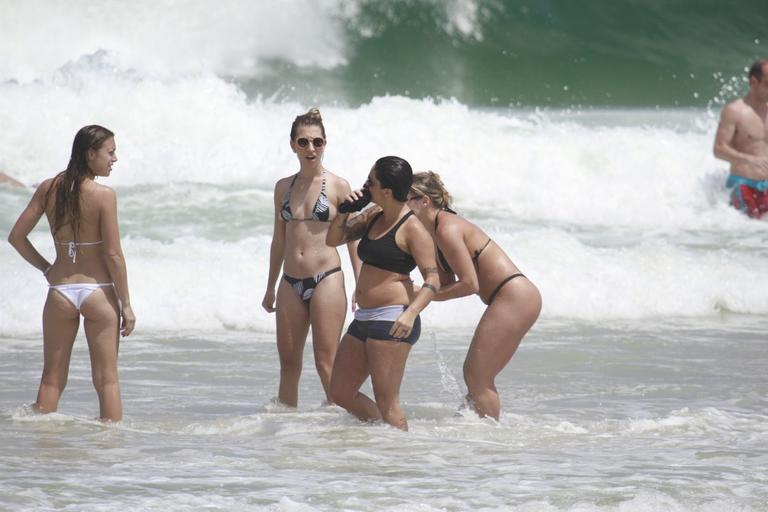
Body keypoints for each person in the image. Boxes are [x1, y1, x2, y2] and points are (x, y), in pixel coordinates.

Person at [7, 125, 135, 422]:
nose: (114, 159)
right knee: (107, 381)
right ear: (91, 154)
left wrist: (46, 269)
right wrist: (126, 304)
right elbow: (113, 255)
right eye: (110, 152)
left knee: (51, 379)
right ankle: (109, 451)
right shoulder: (104, 195)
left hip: (60, 292)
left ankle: (44, 448)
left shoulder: (49, 188)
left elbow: (16, 237)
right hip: (99, 291)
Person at [407, 171, 541, 420]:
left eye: (406, 199)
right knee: (476, 377)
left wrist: (426, 295)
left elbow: (470, 284)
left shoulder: (447, 228)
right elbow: (445, 282)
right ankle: (476, 433)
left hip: (514, 294)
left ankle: (490, 442)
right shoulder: (434, 232)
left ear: (424, 200)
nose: (402, 206)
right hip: (510, 296)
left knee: (477, 377)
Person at [326, 156, 439, 431]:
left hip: (393, 320)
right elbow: (333, 240)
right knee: (340, 392)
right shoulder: (373, 215)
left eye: (371, 183)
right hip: (364, 317)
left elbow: (433, 280)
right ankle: (382, 442)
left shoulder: (413, 229)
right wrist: (345, 210)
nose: (365, 187)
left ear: (386, 192)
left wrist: (411, 314)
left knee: (388, 402)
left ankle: (400, 461)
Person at [261, 108, 361, 407]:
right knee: (289, 366)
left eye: (317, 142)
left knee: (326, 363)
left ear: (325, 144)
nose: (311, 148)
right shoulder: (283, 187)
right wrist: (270, 286)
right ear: (292, 145)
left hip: (327, 278)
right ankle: (285, 430)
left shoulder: (339, 186)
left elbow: (353, 240)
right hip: (290, 281)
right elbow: (279, 240)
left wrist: (361, 285)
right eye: (303, 142)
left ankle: (339, 430)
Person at [714, 58, 768, 218]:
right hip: (743, 185)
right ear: (754, 82)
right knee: (748, 232)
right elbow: (719, 149)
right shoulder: (735, 111)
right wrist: (749, 160)